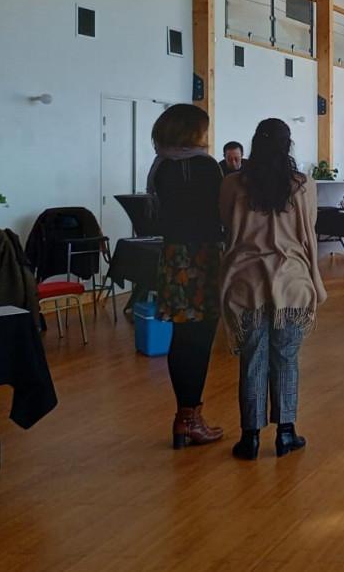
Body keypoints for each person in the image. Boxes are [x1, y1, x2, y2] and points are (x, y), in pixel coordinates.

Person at [219, 118, 326, 461]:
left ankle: (249, 436)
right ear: (288, 145)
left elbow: (226, 225)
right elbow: (309, 228)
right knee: (286, 358)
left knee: (252, 357)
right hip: (292, 282)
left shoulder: (233, 185)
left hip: (245, 281)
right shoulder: (303, 185)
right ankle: (285, 432)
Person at [148, 104, 225, 449]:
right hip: (204, 256)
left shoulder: (160, 166)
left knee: (181, 337)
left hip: (173, 256)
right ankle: (191, 419)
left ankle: (184, 416)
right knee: (202, 337)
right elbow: (221, 212)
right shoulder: (206, 166)